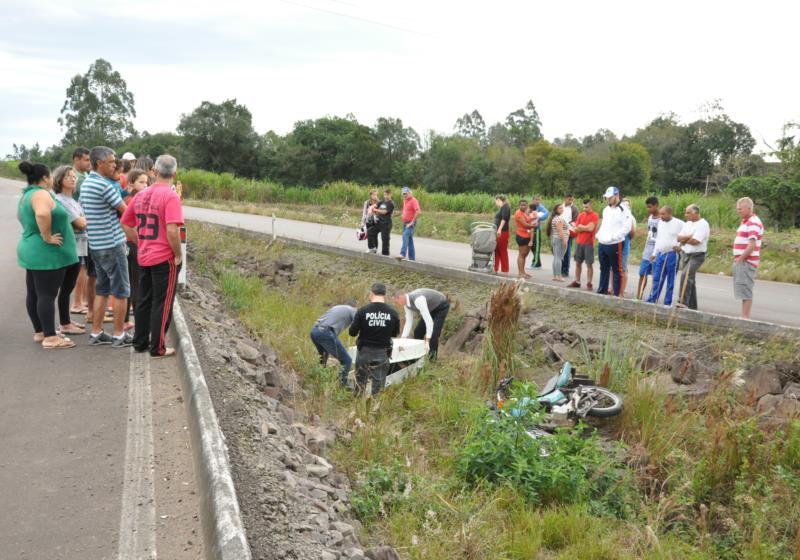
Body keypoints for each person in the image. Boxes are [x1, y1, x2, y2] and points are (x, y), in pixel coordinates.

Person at [121, 155, 185, 357]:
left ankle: (140, 342)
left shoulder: (141, 195)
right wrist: (177, 254)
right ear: (174, 174)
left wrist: (140, 242)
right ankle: (157, 347)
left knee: (144, 300)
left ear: (155, 172)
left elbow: (126, 223)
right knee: (162, 303)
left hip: (145, 255)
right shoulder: (171, 196)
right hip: (163, 257)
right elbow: (172, 229)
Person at [17, 161, 78, 349]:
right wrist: (47, 236)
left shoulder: (27, 195)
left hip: (32, 250)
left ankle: (41, 331)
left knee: (35, 293)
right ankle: (50, 338)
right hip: (46, 253)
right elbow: (43, 214)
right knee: (46, 294)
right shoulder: (41, 193)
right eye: (50, 175)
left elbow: (22, 218)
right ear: (45, 178)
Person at [80, 146, 132, 347]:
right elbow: (126, 213)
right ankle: (119, 334)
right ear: (100, 163)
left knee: (102, 290)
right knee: (121, 291)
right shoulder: (105, 186)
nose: (115, 165)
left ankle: (97, 332)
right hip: (112, 244)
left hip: (96, 245)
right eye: (111, 161)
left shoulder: (87, 183)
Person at [52, 165, 87, 336]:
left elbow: (82, 222)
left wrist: (83, 221)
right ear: (59, 180)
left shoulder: (73, 201)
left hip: (79, 247)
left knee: (69, 287)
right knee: (65, 288)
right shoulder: (59, 200)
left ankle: (66, 320)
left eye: (74, 176)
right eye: (68, 176)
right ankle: (64, 324)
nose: (73, 179)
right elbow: (80, 224)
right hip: (69, 248)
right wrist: (83, 221)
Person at [348, 283, 400, 396]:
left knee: (360, 382)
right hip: (383, 351)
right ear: (384, 295)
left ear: (371, 294)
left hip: (364, 351)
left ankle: (357, 407)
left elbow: (352, 332)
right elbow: (395, 333)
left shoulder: (363, 310)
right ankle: (375, 410)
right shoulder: (393, 312)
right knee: (379, 385)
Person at [122, 169, 150, 331]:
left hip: (128, 243)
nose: (145, 185)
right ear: (131, 183)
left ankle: (126, 320)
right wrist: (139, 242)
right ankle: (137, 322)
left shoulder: (134, 197)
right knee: (136, 284)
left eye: (146, 182)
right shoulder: (131, 199)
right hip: (131, 243)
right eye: (141, 182)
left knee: (130, 284)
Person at [595, 186, 633, 297]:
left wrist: (614, 237)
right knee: (603, 268)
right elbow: (604, 224)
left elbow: (627, 227)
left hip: (615, 243)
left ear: (617, 196)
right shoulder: (606, 209)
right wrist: (599, 235)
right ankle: (602, 290)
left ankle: (617, 295)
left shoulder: (624, 209)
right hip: (603, 243)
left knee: (617, 270)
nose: (608, 199)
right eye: (607, 197)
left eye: (610, 197)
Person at [310, 300, 357, 386]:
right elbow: (359, 323)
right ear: (354, 307)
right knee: (347, 361)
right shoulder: (352, 310)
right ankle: (341, 386)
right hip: (326, 332)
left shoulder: (337, 307)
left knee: (324, 357)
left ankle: (318, 380)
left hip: (314, 331)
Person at [393, 288, 449, 359]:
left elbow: (429, 321)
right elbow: (409, 321)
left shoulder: (418, 300)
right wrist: (403, 338)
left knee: (433, 334)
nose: (396, 304)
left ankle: (432, 360)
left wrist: (427, 340)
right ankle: (420, 355)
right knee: (418, 332)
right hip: (430, 307)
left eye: (396, 302)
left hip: (441, 305)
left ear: (401, 297)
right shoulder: (405, 304)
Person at [732, 197, 764, 320]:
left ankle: (745, 317)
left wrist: (740, 259)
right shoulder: (746, 221)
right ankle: (743, 316)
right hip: (743, 260)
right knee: (742, 288)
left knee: (746, 289)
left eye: (740, 209)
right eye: (737, 209)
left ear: (749, 208)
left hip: (747, 261)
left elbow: (752, 244)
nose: (738, 211)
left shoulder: (753, 222)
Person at [646, 206, 684, 306]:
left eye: (663, 214)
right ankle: (653, 299)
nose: (661, 216)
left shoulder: (679, 223)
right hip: (660, 254)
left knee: (670, 280)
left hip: (672, 254)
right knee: (657, 278)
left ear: (669, 213)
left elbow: (686, 235)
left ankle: (667, 303)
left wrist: (680, 246)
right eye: (660, 214)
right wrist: (654, 253)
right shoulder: (660, 223)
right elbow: (658, 239)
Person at [676, 204, 710, 310]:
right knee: (691, 280)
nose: (686, 215)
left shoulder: (703, 224)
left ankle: (682, 301)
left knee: (685, 275)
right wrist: (689, 237)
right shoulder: (687, 224)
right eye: (685, 212)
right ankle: (692, 307)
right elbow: (678, 238)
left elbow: (696, 241)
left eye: (688, 212)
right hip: (686, 254)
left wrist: (685, 239)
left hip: (697, 256)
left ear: (695, 213)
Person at [568, 199, 598, 290]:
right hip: (579, 242)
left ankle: (589, 282)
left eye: (587, 207)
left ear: (591, 206)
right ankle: (577, 281)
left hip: (589, 243)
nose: (585, 209)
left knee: (589, 264)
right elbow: (576, 229)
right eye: (584, 207)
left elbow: (591, 228)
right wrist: (583, 227)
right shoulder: (581, 215)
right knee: (578, 262)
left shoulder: (595, 215)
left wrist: (582, 227)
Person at [637, 196, 660, 300]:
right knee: (642, 273)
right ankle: (639, 296)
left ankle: (652, 298)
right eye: (647, 207)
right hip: (647, 250)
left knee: (655, 277)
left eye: (650, 207)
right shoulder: (650, 218)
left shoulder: (662, 219)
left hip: (657, 252)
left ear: (656, 205)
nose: (648, 209)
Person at [619, 198, 637, 296]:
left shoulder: (631, 217)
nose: (626, 206)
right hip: (615, 245)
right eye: (624, 204)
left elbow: (632, 233)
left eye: (627, 204)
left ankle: (623, 289)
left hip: (625, 245)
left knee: (623, 267)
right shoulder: (618, 216)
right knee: (614, 268)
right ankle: (613, 287)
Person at [546, 203, 568, 281]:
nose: (562, 209)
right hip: (560, 239)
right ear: (556, 210)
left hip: (555, 239)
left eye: (562, 208)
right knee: (559, 258)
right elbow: (560, 231)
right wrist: (564, 240)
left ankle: (555, 276)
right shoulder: (559, 219)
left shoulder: (554, 218)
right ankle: (559, 276)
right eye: (560, 208)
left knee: (556, 257)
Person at [513, 199, 534, 278]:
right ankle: (520, 273)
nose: (523, 206)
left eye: (525, 205)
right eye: (521, 205)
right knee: (521, 255)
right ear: (519, 205)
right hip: (521, 235)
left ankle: (523, 272)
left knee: (525, 255)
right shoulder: (518, 213)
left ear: (527, 205)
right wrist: (535, 225)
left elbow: (529, 222)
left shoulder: (525, 213)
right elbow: (525, 225)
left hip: (527, 235)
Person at [399, 187, 420, 261]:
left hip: (410, 223)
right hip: (405, 222)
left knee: (405, 236)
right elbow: (406, 210)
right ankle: (412, 259)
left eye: (406, 193)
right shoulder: (405, 200)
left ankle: (402, 254)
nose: (405, 195)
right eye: (403, 194)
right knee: (409, 241)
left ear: (410, 193)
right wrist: (402, 215)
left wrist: (412, 222)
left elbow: (418, 212)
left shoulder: (413, 200)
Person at [527, 195, 549, 269]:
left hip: (537, 229)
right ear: (533, 200)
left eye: (539, 199)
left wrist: (539, 218)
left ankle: (536, 264)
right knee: (532, 246)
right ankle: (537, 263)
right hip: (530, 229)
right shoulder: (531, 206)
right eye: (536, 199)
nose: (537, 201)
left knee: (536, 246)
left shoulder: (540, 207)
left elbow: (547, 213)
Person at [560, 194, 579, 277]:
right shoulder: (561, 206)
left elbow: (575, 221)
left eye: (572, 199)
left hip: (569, 232)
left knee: (566, 251)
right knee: (559, 251)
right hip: (559, 231)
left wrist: (568, 225)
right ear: (565, 199)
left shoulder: (574, 208)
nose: (570, 201)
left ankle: (565, 271)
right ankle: (559, 268)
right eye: (569, 199)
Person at [493, 195, 511, 274]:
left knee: (502, 250)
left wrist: (499, 229)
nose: (495, 203)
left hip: (502, 232)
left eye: (496, 201)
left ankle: (505, 270)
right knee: (496, 250)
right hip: (498, 232)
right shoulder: (502, 207)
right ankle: (495, 269)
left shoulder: (505, 207)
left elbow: (504, 219)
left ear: (499, 200)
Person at [374, 188, 394, 256]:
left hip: (386, 224)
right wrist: (372, 209)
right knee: (371, 231)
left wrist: (376, 210)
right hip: (379, 223)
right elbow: (374, 206)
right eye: (385, 194)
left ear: (390, 194)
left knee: (385, 239)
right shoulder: (381, 202)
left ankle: (385, 254)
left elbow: (384, 212)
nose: (386, 196)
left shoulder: (391, 203)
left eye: (387, 195)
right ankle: (373, 249)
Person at [362, 189, 380, 254]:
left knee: (374, 235)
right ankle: (370, 248)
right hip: (368, 221)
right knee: (369, 234)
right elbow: (364, 213)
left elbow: (380, 213)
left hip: (375, 222)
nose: (375, 196)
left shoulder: (379, 202)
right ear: (370, 195)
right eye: (373, 194)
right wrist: (362, 222)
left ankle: (375, 249)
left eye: (376, 195)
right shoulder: (366, 202)